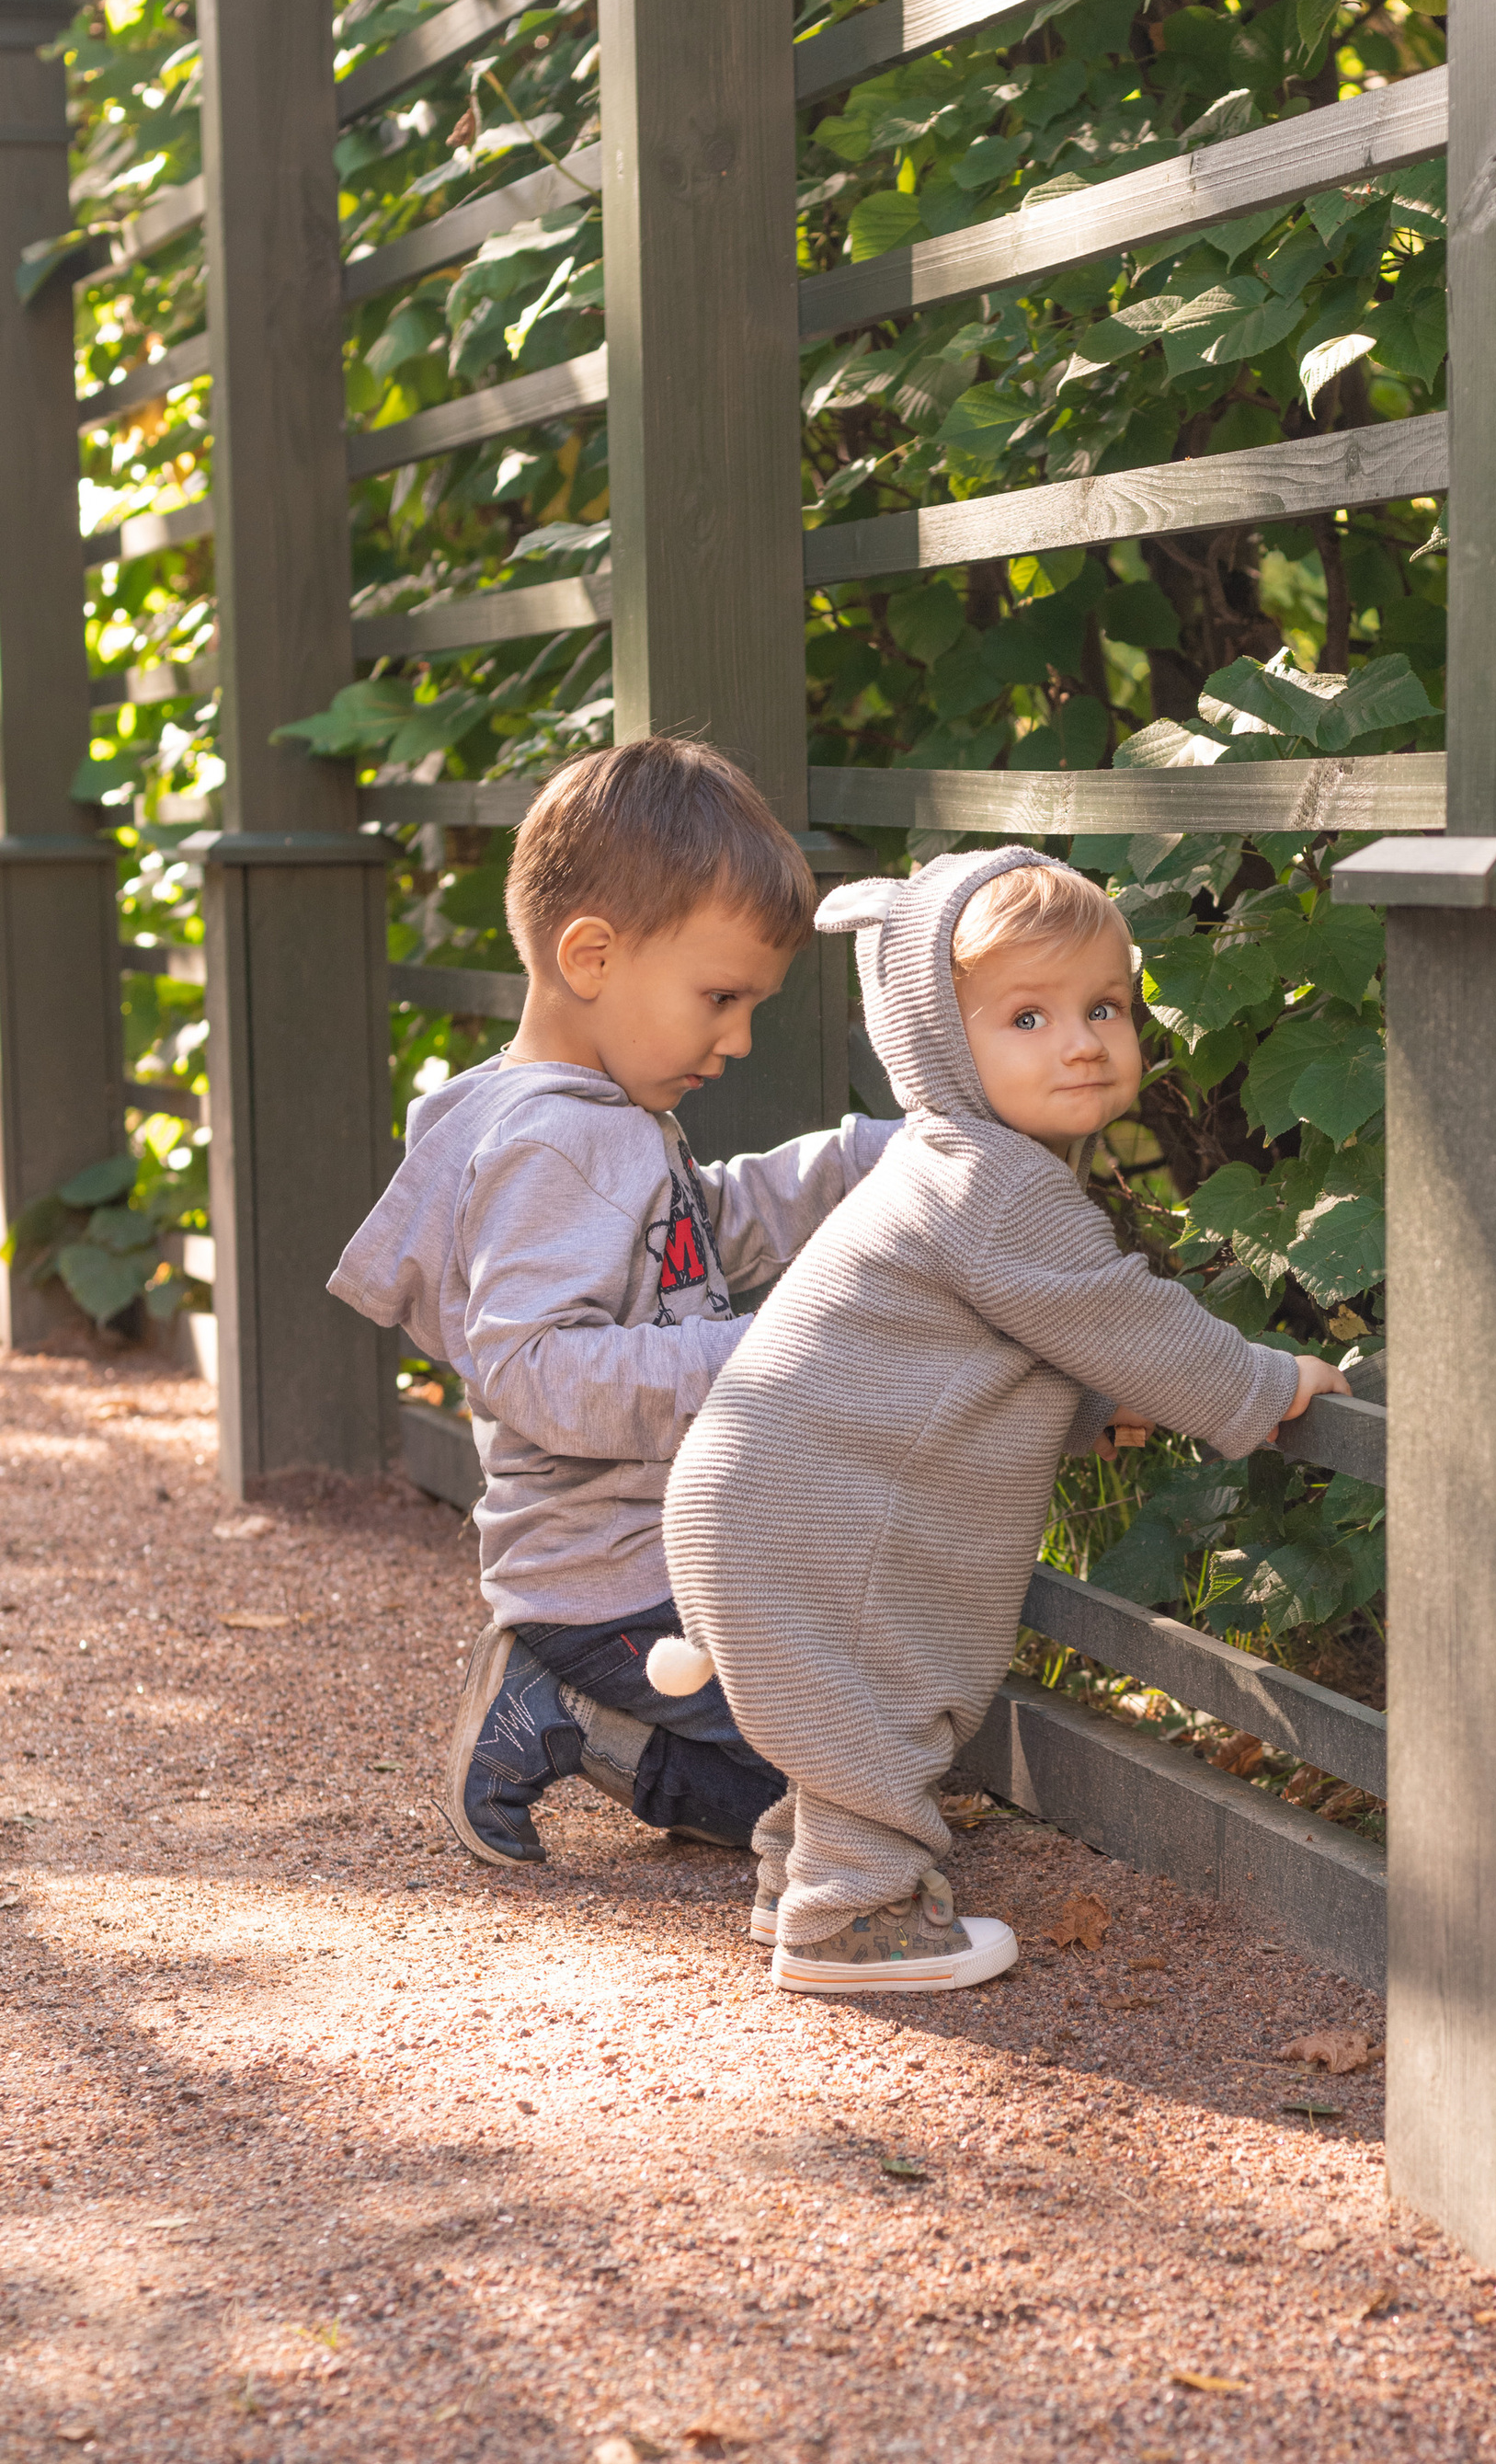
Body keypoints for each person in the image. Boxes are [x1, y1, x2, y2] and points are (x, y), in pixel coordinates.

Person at [648, 843, 1351, 1995]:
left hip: (765, 1499)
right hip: (806, 1510)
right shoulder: (994, 1184)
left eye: (1106, 1007)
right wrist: (1261, 1386)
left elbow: (959, 1363)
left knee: (838, 1704)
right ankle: (855, 1923)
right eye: (1026, 1017)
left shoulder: (951, 1171)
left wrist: (1086, 1407)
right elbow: (1122, 1315)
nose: (1081, 1040)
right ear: (935, 1039)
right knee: (878, 1695)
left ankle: (801, 1886)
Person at [327, 736, 898, 1868]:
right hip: (610, 1586)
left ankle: (579, 1723)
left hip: (658, 1567)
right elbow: (533, 1371)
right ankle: (564, 1684)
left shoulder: (602, 1118)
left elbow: (701, 1231)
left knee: (821, 1786)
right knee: (857, 1777)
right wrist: (767, 1351)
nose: (736, 1039)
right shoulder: (558, 1141)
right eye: (720, 999)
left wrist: (859, 1161)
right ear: (590, 954)